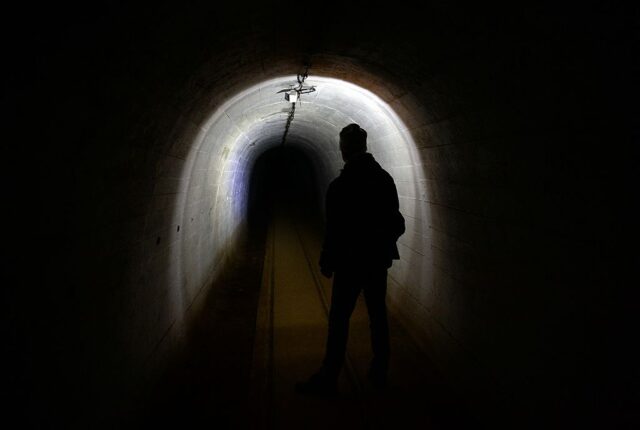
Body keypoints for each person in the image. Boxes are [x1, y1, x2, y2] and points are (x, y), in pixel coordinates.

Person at [296, 123, 405, 396]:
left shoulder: (340, 185)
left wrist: (327, 260)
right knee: (378, 317)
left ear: (344, 149)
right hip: (376, 262)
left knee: (339, 319)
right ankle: (379, 373)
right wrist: (381, 243)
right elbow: (397, 223)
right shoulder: (384, 179)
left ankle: (329, 375)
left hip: (348, 263)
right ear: (365, 146)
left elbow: (335, 230)